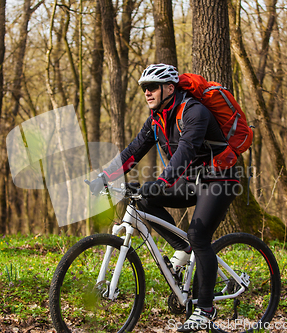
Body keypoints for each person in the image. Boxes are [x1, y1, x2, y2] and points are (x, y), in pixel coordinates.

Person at [89, 64, 239, 332]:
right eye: (144, 88)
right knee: (143, 199)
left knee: (199, 235)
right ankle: (183, 248)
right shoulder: (157, 118)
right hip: (190, 180)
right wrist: (105, 176)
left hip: (219, 180)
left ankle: (205, 310)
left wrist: (162, 182)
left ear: (170, 88)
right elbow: (134, 150)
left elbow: (186, 150)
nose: (147, 92)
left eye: (152, 87)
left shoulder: (195, 111)